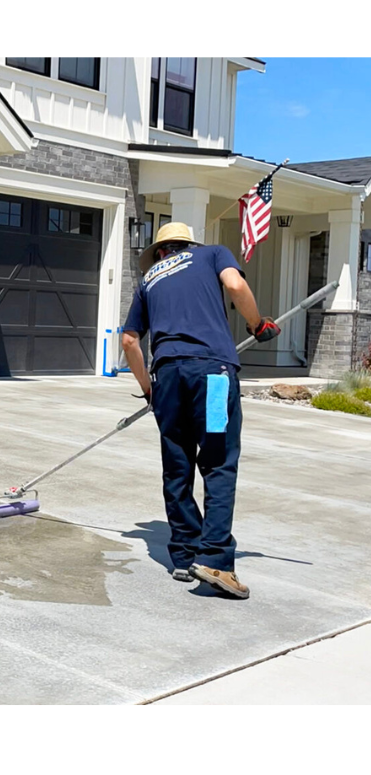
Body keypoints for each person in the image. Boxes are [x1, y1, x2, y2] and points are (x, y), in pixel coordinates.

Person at [121, 222, 280, 599]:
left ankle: (183, 555)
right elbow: (237, 286)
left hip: (168, 379)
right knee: (218, 462)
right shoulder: (212, 253)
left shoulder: (148, 280)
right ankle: (216, 561)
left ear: (160, 252)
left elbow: (129, 340)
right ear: (188, 244)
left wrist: (149, 391)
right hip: (212, 375)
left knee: (177, 468)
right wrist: (257, 325)